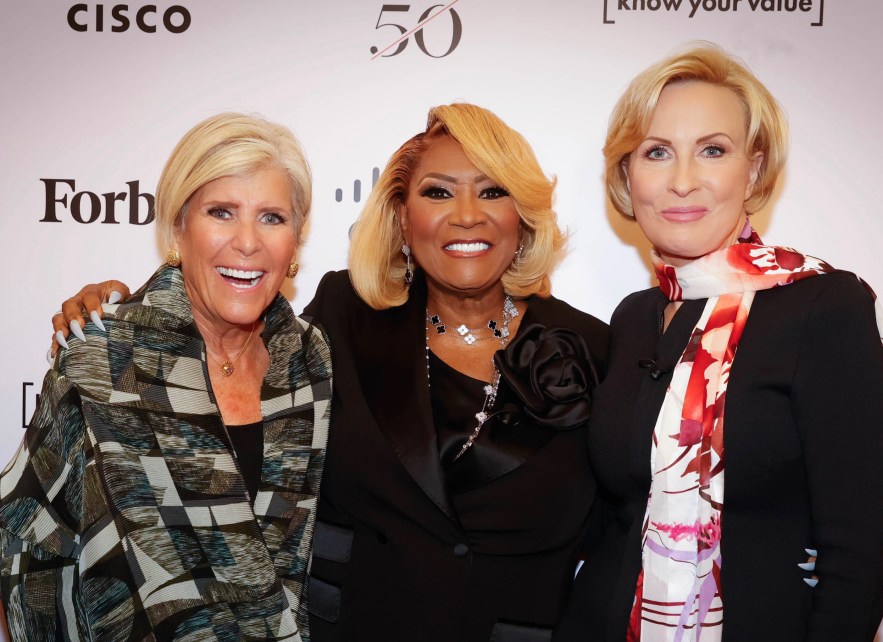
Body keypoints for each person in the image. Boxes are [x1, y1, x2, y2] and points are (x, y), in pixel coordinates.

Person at [48, 104, 611, 641]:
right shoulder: (345, 315)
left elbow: (625, 515)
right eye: (437, 191)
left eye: (493, 191)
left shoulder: (591, 344)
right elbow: (227, 334)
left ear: (524, 215)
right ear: (401, 214)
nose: (466, 214)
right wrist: (125, 313)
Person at [554, 45, 883, 642]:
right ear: (627, 177)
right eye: (657, 152)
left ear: (754, 170)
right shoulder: (635, 317)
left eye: (713, 150)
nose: (683, 180)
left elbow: (855, 559)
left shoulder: (824, 306)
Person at [1, 113, 332, 641]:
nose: (248, 241)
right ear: (179, 226)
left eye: (272, 217)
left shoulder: (310, 360)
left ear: (296, 240)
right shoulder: (106, 354)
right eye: (221, 212)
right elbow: (26, 537)